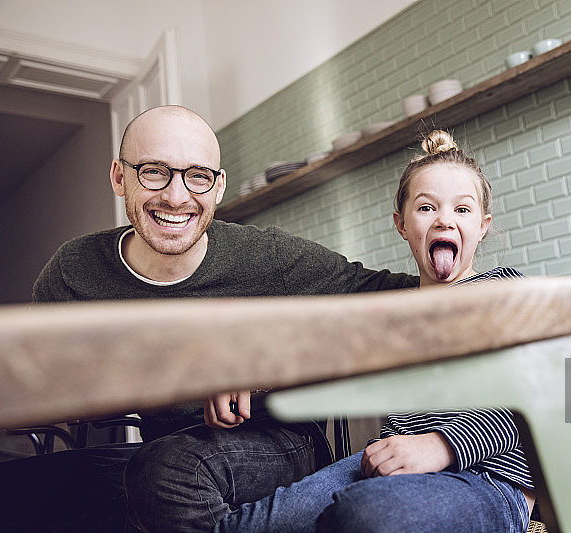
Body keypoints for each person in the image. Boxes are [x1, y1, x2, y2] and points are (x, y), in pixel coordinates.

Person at [0, 105, 417, 533]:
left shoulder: (268, 257)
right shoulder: (75, 269)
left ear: (218, 187)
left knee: (164, 472)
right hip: (162, 451)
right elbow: (27, 387)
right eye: (154, 172)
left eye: (197, 176)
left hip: (279, 441)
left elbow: (394, 299)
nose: (176, 197)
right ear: (119, 177)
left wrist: (259, 362)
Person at [213, 130, 536, 533]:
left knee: (362, 514)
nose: (444, 220)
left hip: (487, 481)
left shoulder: (503, 290)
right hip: (386, 464)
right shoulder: (395, 313)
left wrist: (441, 445)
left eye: (462, 209)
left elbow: (536, 391)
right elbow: (320, 353)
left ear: (483, 225)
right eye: (426, 207)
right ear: (402, 225)